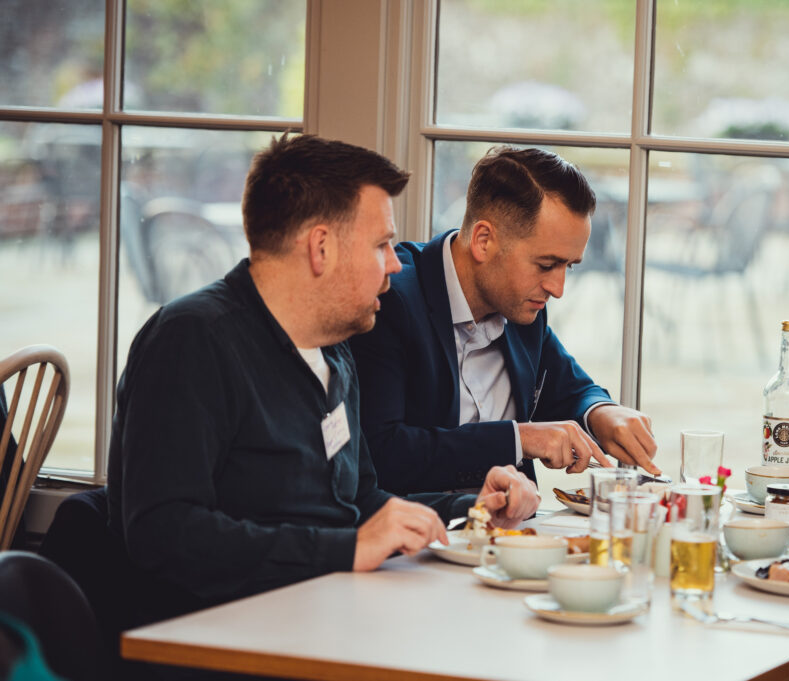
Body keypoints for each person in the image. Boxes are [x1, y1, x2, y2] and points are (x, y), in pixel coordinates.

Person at [106, 134, 539, 624]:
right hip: (214, 635)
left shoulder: (334, 348)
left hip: (324, 613)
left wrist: (468, 507)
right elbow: (163, 534)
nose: (395, 264)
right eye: (381, 245)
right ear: (321, 248)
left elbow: (360, 501)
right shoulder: (192, 340)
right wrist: (345, 549)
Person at [348, 146, 660, 496]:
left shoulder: (523, 305)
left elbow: (570, 388)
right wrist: (517, 439)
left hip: (516, 525)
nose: (557, 289)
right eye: (546, 265)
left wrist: (601, 412)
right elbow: (382, 452)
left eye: (568, 266)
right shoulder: (389, 300)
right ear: (484, 241)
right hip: (420, 526)